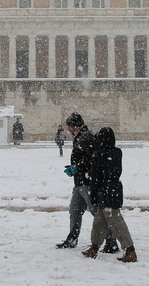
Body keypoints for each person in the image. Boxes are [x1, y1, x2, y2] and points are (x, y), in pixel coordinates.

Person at [56, 112, 117, 252]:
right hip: (80, 183)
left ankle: (111, 242)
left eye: (70, 126)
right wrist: (75, 168)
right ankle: (72, 238)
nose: (68, 129)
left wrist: (76, 168)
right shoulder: (81, 137)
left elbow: (91, 160)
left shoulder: (86, 138)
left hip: (87, 182)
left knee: (97, 213)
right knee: (75, 210)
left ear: (76, 126)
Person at [82, 127, 138, 263]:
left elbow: (95, 177)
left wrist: (93, 193)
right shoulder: (117, 152)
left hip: (104, 191)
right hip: (115, 189)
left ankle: (130, 250)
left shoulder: (98, 155)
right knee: (100, 222)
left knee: (116, 222)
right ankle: (94, 248)